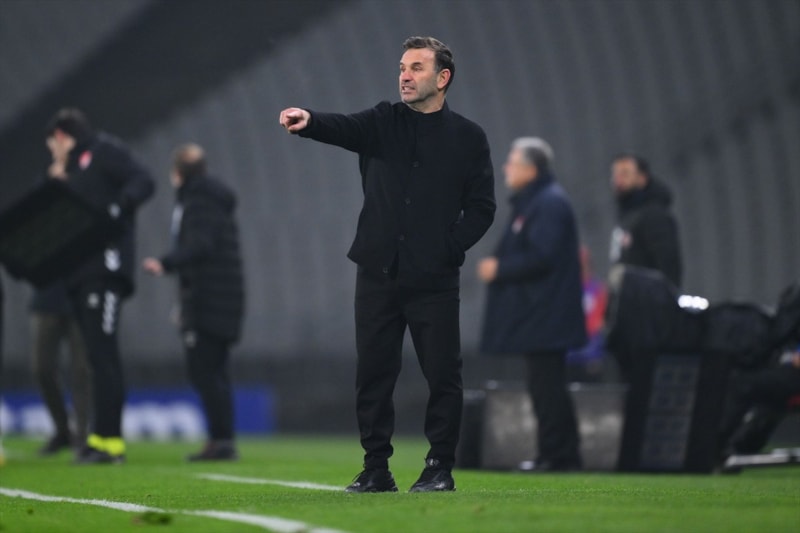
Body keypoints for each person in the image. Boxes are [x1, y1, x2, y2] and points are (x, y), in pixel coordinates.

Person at [279, 36, 496, 492]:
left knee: (443, 374)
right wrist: (310, 121)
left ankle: (439, 467)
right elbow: (344, 127)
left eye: (416, 67)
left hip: (434, 278)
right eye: (402, 67)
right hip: (377, 272)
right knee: (374, 374)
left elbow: (482, 207)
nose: (405, 76)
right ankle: (376, 467)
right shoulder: (382, 121)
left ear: (442, 78)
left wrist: (449, 248)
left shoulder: (468, 137)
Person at [45, 108, 155, 463]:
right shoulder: (74, 171)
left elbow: (143, 180)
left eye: (52, 146)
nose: (53, 153)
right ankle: (98, 437)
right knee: (95, 356)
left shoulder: (103, 150)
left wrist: (118, 208)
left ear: (61, 137)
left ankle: (112, 442)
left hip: (104, 270)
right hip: (79, 275)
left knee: (104, 356)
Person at [478, 137, 586, 472]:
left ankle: (558, 456)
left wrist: (500, 268)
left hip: (546, 313)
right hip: (540, 313)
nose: (505, 169)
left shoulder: (548, 203)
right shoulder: (535, 202)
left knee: (547, 386)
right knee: (545, 385)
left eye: (512, 163)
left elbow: (543, 256)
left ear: (531, 169)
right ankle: (557, 453)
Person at [143, 143, 244, 462]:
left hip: (208, 301)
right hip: (221, 298)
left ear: (177, 174)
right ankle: (222, 439)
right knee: (215, 372)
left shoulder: (198, 202)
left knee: (204, 371)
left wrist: (165, 263)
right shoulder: (213, 199)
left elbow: (199, 246)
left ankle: (220, 440)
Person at [29, 281, 91, 456]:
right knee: (42, 368)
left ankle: (82, 434)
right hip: (47, 298)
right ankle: (62, 430)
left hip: (80, 298)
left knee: (82, 371)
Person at [609, 154, 682, 287]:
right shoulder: (626, 219)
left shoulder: (655, 216)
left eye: (625, 173)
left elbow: (668, 267)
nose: (618, 180)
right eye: (615, 175)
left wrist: (665, 297)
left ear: (642, 178)